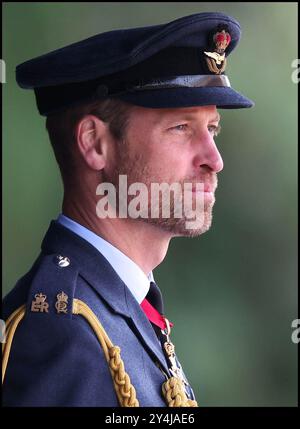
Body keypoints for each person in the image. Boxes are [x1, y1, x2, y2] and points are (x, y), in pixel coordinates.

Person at [2, 12, 254, 407]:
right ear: (95, 143)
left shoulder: (122, 305)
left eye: (212, 129)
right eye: (181, 128)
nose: (214, 159)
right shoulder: (62, 331)